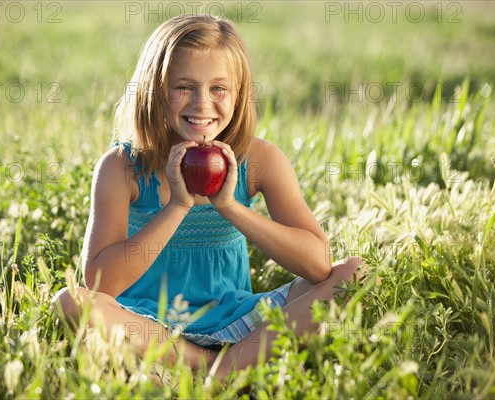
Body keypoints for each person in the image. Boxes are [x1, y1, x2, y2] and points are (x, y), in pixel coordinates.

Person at [52, 13, 363, 377]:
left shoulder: (260, 160)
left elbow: (319, 265)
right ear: (155, 90)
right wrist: (178, 206)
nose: (202, 104)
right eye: (184, 86)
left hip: (240, 322)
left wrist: (231, 206)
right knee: (71, 302)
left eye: (219, 89)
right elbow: (100, 283)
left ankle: (212, 370)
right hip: (148, 327)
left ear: (238, 94)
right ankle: (215, 369)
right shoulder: (122, 167)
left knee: (356, 272)